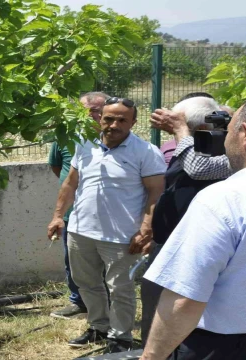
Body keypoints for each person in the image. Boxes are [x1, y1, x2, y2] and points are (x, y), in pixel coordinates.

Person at [141, 92, 246, 360]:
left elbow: (185, 298)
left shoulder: (226, 198)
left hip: (227, 345)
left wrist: (151, 356)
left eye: (231, 127)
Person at [47, 97, 166, 353]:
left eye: (122, 119)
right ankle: (98, 327)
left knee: (120, 288)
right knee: (86, 283)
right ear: (100, 118)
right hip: (80, 231)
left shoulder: (146, 152)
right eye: (109, 118)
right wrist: (58, 216)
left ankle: (120, 337)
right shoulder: (84, 146)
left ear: (134, 122)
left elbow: (156, 193)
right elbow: (70, 183)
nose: (114, 124)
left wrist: (146, 229)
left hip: (122, 237)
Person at [141, 96, 224, 345]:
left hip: (194, 250)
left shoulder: (232, 156)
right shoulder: (195, 147)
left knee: (176, 313)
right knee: (154, 306)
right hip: (168, 245)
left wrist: (181, 130)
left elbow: (198, 169)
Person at [47, 91, 110, 320]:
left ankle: (107, 305)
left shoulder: (116, 138)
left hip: (107, 214)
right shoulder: (66, 136)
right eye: (85, 110)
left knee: (105, 263)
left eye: (96, 110)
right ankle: (78, 302)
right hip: (73, 213)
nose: (90, 115)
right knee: (72, 260)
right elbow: (57, 167)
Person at [159, 92, 215, 166]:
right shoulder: (170, 150)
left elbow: (198, 168)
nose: (172, 128)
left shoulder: (224, 153)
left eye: (179, 123)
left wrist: (179, 130)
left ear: (201, 129)